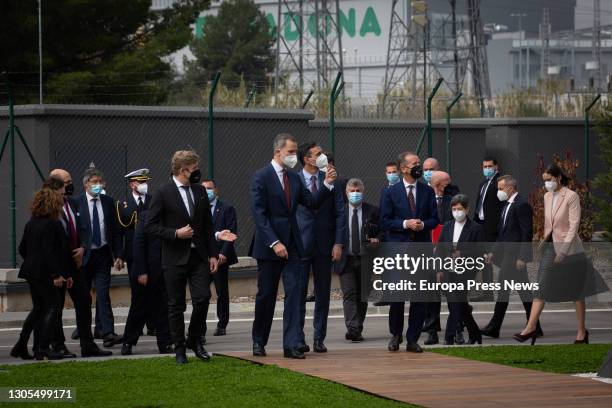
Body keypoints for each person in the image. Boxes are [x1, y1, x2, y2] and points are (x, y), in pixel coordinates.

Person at [250, 133, 337, 359]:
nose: (293, 156)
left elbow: (311, 203)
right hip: (270, 247)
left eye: (294, 152)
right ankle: (259, 341)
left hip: (294, 246)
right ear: (278, 152)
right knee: (266, 295)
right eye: (290, 152)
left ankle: (291, 345)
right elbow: (259, 216)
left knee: (295, 294)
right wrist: (274, 242)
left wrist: (327, 184)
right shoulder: (261, 177)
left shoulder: (295, 179)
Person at [145, 150, 236, 364]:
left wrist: (213, 254)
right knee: (176, 305)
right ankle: (179, 350)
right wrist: (175, 234)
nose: (197, 172)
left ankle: (194, 340)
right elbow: (150, 226)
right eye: (194, 169)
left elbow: (207, 225)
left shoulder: (200, 191)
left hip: (199, 257)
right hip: (174, 258)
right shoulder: (163, 192)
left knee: (203, 298)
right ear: (182, 170)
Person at [514, 164, 606, 345]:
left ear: (558, 178)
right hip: (550, 247)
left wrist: (563, 250)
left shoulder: (571, 196)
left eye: (549, 179)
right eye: (545, 180)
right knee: (540, 286)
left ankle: (581, 332)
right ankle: (530, 327)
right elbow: (550, 224)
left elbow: (574, 225)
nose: (546, 183)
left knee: (577, 292)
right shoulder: (547, 196)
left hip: (570, 250)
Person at [37, 171, 112, 359]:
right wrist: (55, 271)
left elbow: (83, 228)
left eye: (70, 182)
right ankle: (58, 345)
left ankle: (88, 344)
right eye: (66, 183)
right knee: (57, 305)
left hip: (76, 263)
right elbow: (47, 242)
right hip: (58, 266)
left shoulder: (73, 203)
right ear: (55, 186)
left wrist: (83, 248)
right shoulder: (48, 210)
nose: (70, 186)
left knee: (84, 301)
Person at [380, 151, 439, 353]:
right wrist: (406, 223)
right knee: (397, 297)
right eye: (415, 163)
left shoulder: (427, 191)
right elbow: (385, 221)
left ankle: (413, 339)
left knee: (419, 298)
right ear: (404, 168)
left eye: (419, 163)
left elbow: (435, 219)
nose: (419, 167)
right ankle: (395, 335)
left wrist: (422, 225)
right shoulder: (390, 192)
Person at [296, 142, 345, 353]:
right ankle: (298, 338)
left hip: (325, 245)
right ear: (307, 159)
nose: (323, 156)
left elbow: (340, 213)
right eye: (318, 154)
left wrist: (338, 242)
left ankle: (319, 338)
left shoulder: (332, 180)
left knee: (323, 294)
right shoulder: (294, 180)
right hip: (300, 244)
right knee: (298, 293)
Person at [481, 175, 542, 339]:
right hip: (507, 253)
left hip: (514, 255)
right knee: (524, 291)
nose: (498, 192)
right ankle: (535, 325)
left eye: (501, 188)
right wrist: (493, 251)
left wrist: (522, 257)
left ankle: (494, 327)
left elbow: (526, 233)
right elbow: (503, 233)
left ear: (510, 188)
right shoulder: (507, 205)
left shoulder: (522, 205)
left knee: (503, 289)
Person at [11, 188, 69, 361]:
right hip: (45, 272)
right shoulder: (53, 223)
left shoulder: (32, 223)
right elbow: (51, 252)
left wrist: (33, 259)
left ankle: (22, 344)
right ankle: (43, 347)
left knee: (38, 308)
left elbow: (22, 249)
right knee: (53, 306)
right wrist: (56, 274)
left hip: (31, 271)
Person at [74, 166, 124, 348]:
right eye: (94, 182)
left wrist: (119, 255)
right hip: (84, 256)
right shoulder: (76, 202)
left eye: (99, 182)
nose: (97, 185)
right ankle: (84, 329)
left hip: (103, 254)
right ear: (86, 184)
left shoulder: (108, 202)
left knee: (103, 294)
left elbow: (115, 231)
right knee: (83, 296)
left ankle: (108, 332)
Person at [121, 211, 173, 355]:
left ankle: (165, 343)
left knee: (163, 309)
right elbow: (138, 244)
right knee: (139, 309)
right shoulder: (146, 217)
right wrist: (142, 271)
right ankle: (128, 342)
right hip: (146, 273)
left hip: (164, 271)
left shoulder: (171, 216)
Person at [336, 178, 382, 342]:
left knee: (363, 295)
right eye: (352, 191)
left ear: (363, 192)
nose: (355, 194)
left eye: (358, 191)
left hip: (365, 259)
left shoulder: (373, 211)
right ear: (346, 193)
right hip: (346, 259)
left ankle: (357, 327)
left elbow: (382, 230)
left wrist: (377, 239)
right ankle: (353, 328)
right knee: (349, 294)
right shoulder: (339, 211)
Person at [435, 194, 483, 345]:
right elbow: (440, 249)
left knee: (456, 304)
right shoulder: (448, 226)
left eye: (460, 209)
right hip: (448, 270)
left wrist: (462, 254)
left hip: (466, 271)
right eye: (454, 209)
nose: (457, 212)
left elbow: (479, 250)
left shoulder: (475, 228)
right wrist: (439, 270)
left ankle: (449, 337)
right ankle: (475, 333)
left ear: (467, 209)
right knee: (459, 304)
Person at [117, 168, 156, 336]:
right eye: (140, 182)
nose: (144, 185)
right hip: (133, 253)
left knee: (153, 290)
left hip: (152, 251)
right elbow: (119, 232)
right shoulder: (123, 204)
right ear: (132, 184)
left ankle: (152, 324)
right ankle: (137, 325)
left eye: (145, 182)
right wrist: (119, 255)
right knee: (137, 291)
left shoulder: (153, 200)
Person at [422, 171, 455, 345]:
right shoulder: (425, 201)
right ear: (438, 185)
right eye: (446, 182)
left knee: (453, 294)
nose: (450, 185)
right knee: (431, 295)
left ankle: (456, 330)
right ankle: (432, 331)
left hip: (449, 253)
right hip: (429, 252)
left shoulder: (452, 201)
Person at [202, 179, 238, 338]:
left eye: (209, 188)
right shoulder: (198, 209)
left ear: (216, 190)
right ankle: (200, 326)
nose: (207, 191)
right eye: (204, 189)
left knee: (221, 292)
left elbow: (231, 232)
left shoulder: (226, 208)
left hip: (221, 257)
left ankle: (222, 324)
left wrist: (223, 253)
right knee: (201, 293)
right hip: (203, 258)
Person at [473, 157, 504, 301]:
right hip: (481, 226)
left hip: (493, 229)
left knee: (490, 260)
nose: (487, 168)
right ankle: (487, 293)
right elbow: (480, 205)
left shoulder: (499, 183)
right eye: (484, 166)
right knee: (483, 260)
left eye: (490, 166)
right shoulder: (483, 184)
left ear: (496, 167)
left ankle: (490, 293)